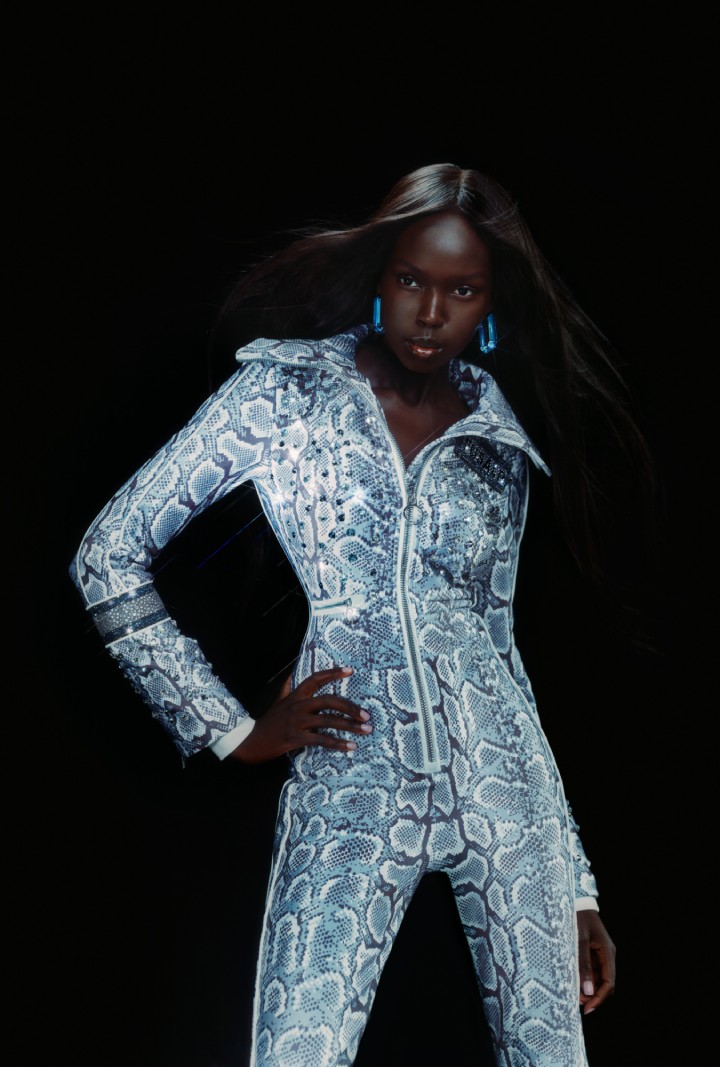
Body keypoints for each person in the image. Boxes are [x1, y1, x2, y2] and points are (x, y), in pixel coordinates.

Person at [70, 162, 653, 1066]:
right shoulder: (284, 396)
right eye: (412, 280)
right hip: (353, 782)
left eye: (462, 290)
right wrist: (225, 726)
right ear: (381, 274)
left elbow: (499, 652)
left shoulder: (497, 445)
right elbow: (107, 555)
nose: (431, 312)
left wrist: (577, 886)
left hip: (505, 793)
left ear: (489, 301)